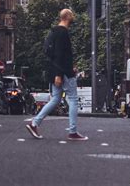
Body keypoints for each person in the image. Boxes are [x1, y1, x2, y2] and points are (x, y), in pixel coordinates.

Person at [26, 8, 88, 141]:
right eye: (72, 14)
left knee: (55, 99)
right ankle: (73, 131)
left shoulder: (54, 32)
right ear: (67, 17)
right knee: (73, 100)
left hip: (56, 70)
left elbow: (53, 54)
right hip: (63, 72)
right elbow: (59, 54)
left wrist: (58, 71)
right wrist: (59, 74)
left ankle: (34, 123)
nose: (74, 16)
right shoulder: (62, 33)